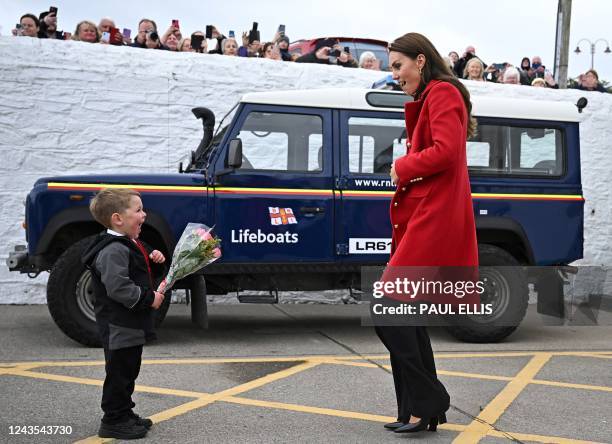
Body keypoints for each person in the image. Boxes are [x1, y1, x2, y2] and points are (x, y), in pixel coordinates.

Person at [379, 32, 478, 435]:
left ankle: (430, 400)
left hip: (434, 217)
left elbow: (447, 151)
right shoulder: (431, 96)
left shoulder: (442, 93)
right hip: (425, 214)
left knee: (388, 308)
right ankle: (416, 412)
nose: (395, 75)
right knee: (404, 314)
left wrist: (402, 165)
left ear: (420, 60)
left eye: (398, 66)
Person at [83, 189, 166, 440]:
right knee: (119, 373)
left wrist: (155, 259)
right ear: (118, 219)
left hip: (129, 324)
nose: (144, 214)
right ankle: (113, 420)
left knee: (129, 370)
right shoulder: (113, 250)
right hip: (120, 325)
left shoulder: (128, 241)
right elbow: (118, 287)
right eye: (138, 210)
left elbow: (137, 266)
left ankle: (125, 412)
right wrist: (150, 298)